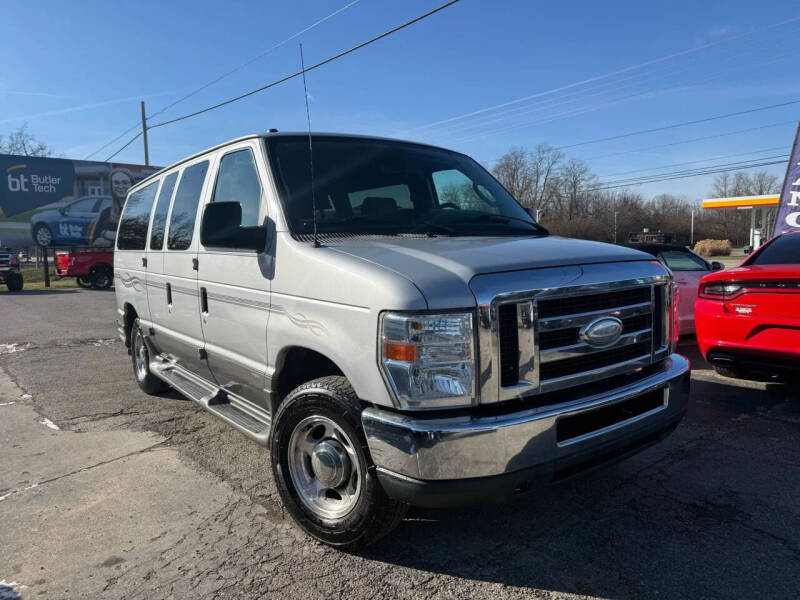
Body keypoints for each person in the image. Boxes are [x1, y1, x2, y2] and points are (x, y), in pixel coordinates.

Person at [92, 167, 133, 246]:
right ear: (111, 186)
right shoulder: (106, 213)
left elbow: (139, 238)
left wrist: (107, 235)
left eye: (125, 182)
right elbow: (95, 241)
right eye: (116, 182)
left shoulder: (142, 210)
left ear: (132, 184)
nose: (120, 186)